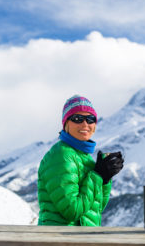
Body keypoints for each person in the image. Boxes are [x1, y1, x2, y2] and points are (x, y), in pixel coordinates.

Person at [37, 95, 124, 226]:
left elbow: (96, 208)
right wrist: (97, 175)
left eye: (90, 119)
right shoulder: (62, 155)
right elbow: (72, 210)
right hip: (59, 240)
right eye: (77, 119)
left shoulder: (83, 157)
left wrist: (105, 179)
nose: (85, 124)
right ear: (66, 123)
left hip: (78, 238)